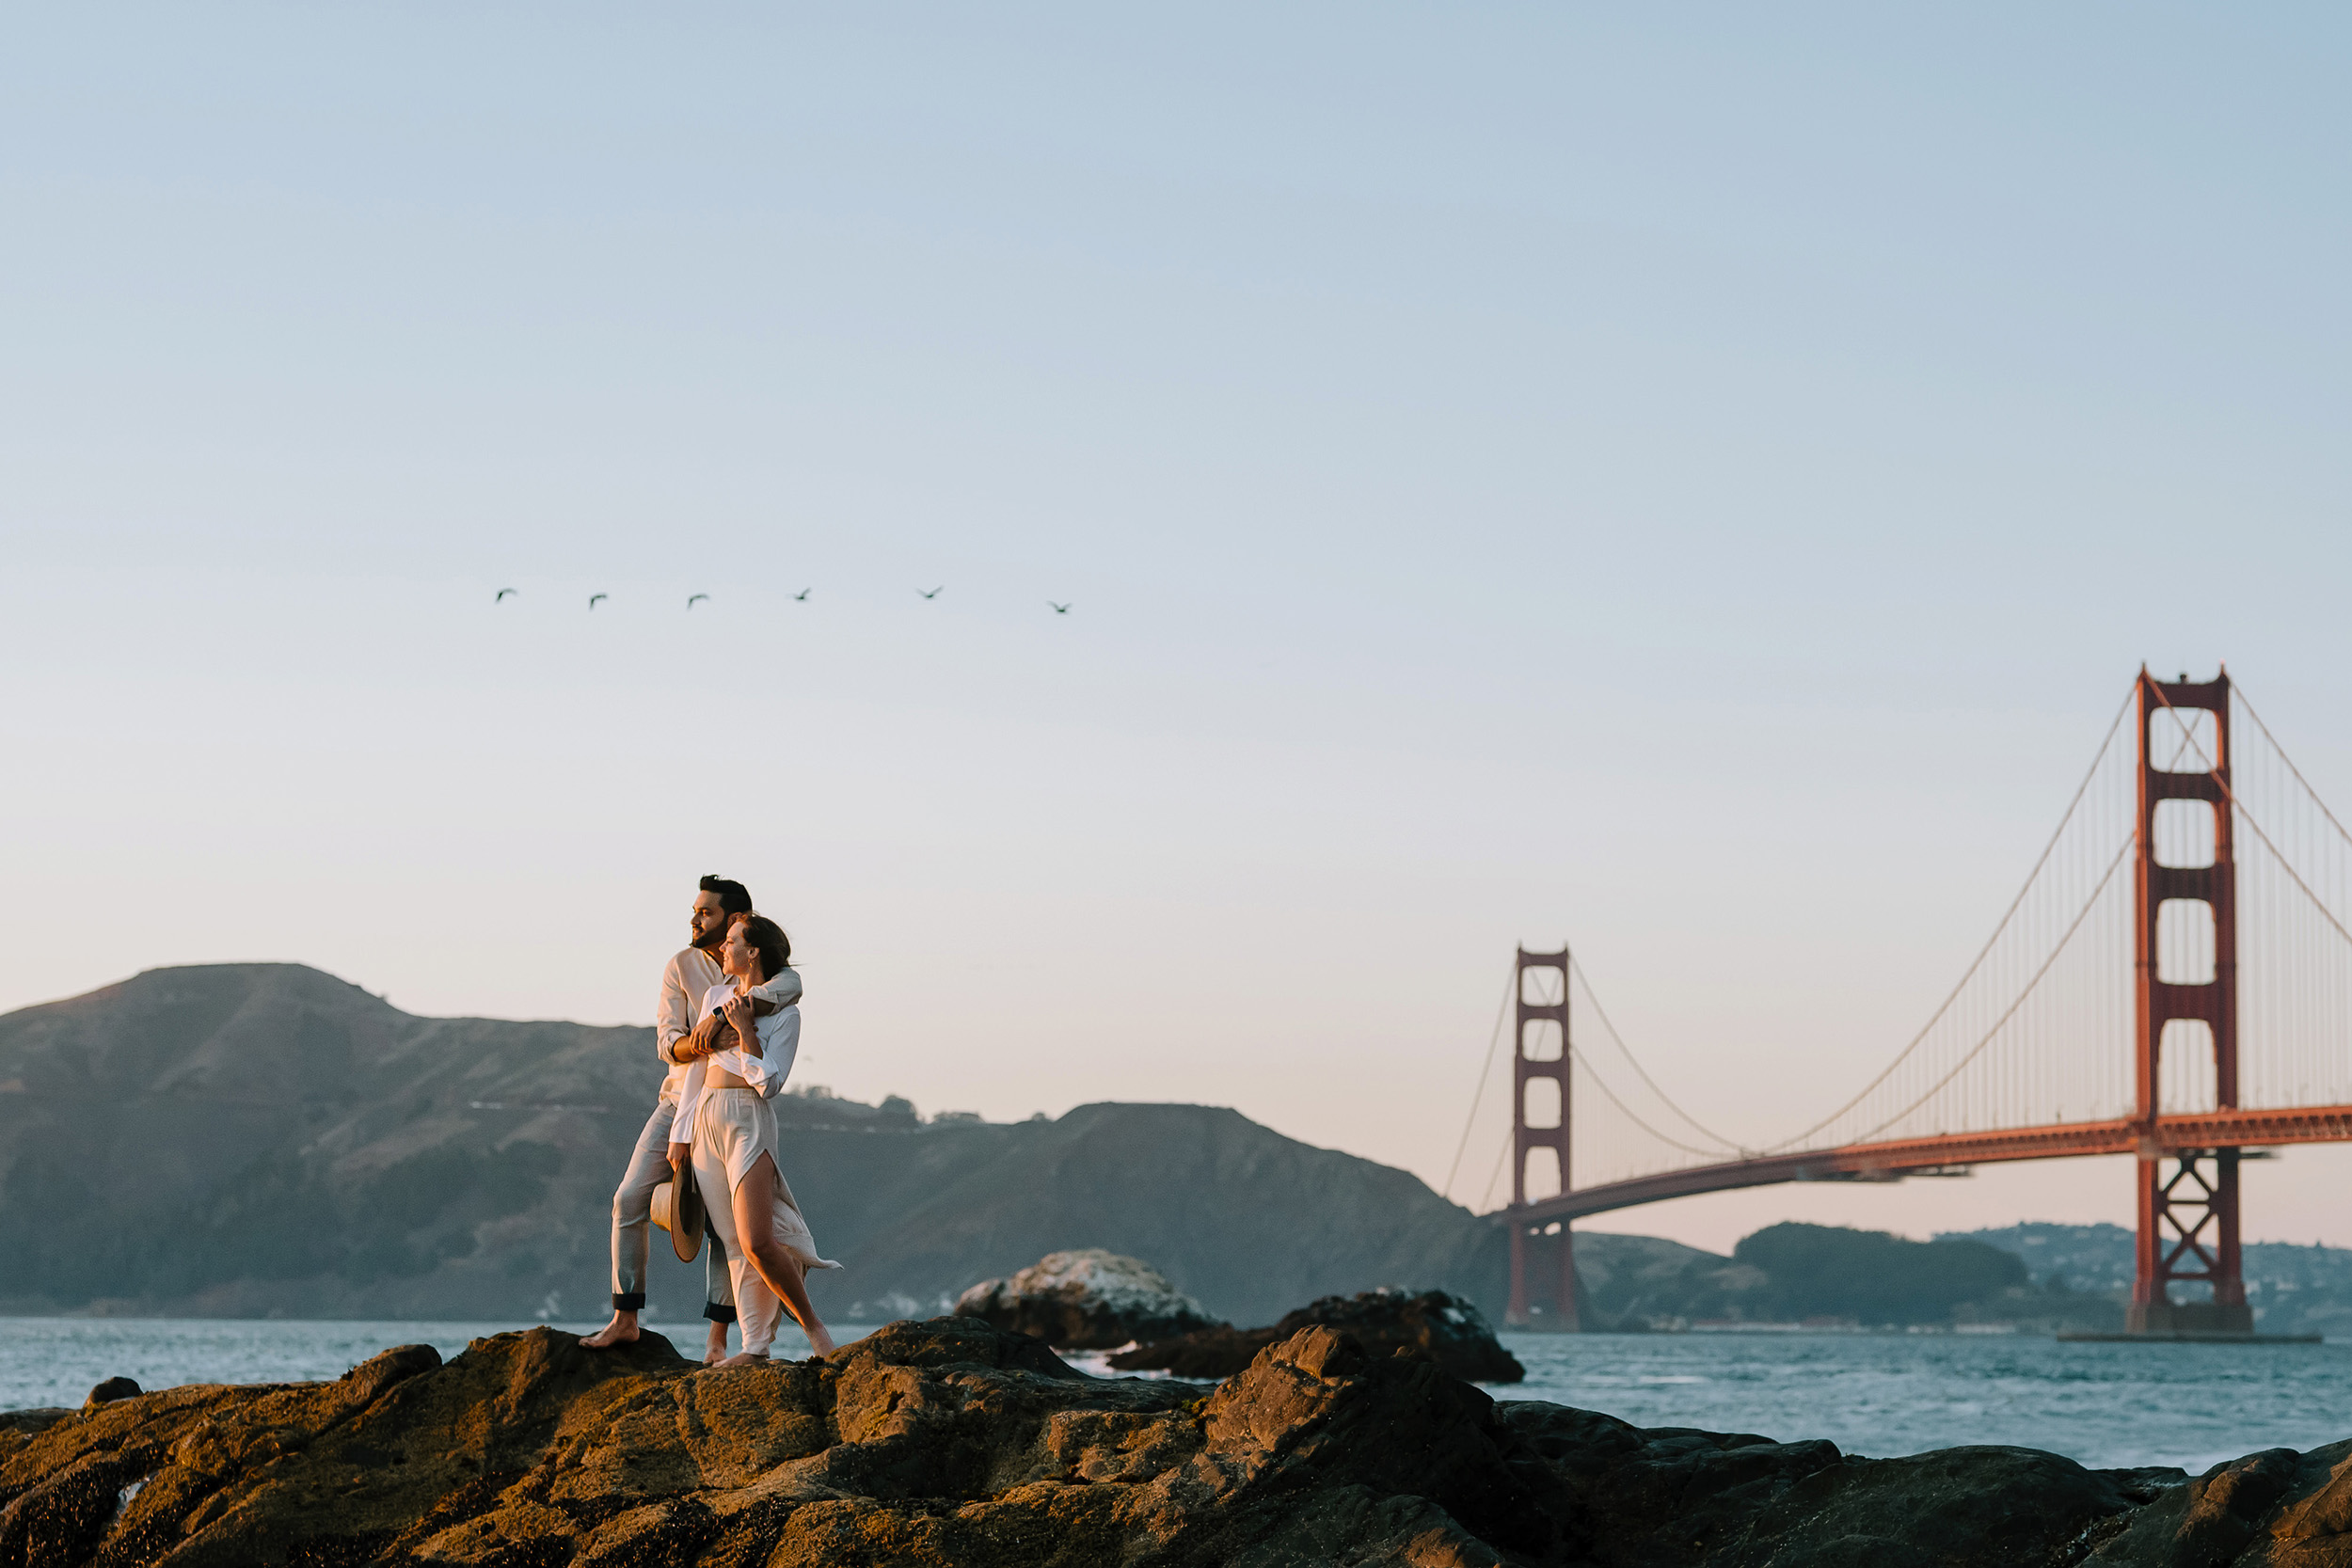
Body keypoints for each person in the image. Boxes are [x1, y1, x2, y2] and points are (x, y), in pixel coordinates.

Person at [581, 875, 802, 1360]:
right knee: (629, 1198)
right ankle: (625, 1318)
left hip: (728, 1109)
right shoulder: (681, 966)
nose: (694, 919)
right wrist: (700, 1038)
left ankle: (718, 1341)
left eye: (705, 912)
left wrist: (722, 1017)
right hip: (676, 1100)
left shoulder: (769, 972)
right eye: (696, 910)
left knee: (726, 1227)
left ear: (734, 918)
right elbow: (668, 1045)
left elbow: (790, 987)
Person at [677, 910, 840, 1365]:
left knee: (758, 1241)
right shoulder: (715, 995)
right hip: (708, 1115)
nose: (723, 948)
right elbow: (696, 1067)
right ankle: (755, 1347)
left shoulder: (786, 1016)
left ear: (753, 952)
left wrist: (747, 1033)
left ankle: (814, 1329)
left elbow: (769, 1083)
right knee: (732, 1243)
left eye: (731, 942)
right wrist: (682, 1132)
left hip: (750, 1119)